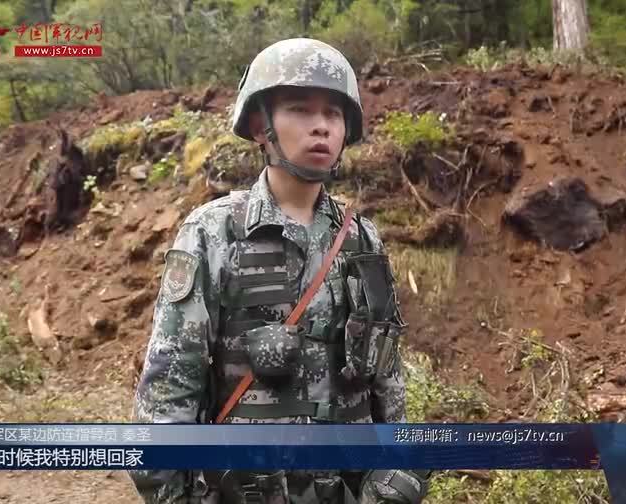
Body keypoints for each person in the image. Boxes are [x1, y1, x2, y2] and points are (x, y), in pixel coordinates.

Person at [129, 38, 430, 504]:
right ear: (259, 125)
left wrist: (398, 470)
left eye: (333, 114)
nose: (321, 127)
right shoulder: (213, 233)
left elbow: (386, 380)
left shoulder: (362, 240)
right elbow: (168, 393)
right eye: (299, 110)